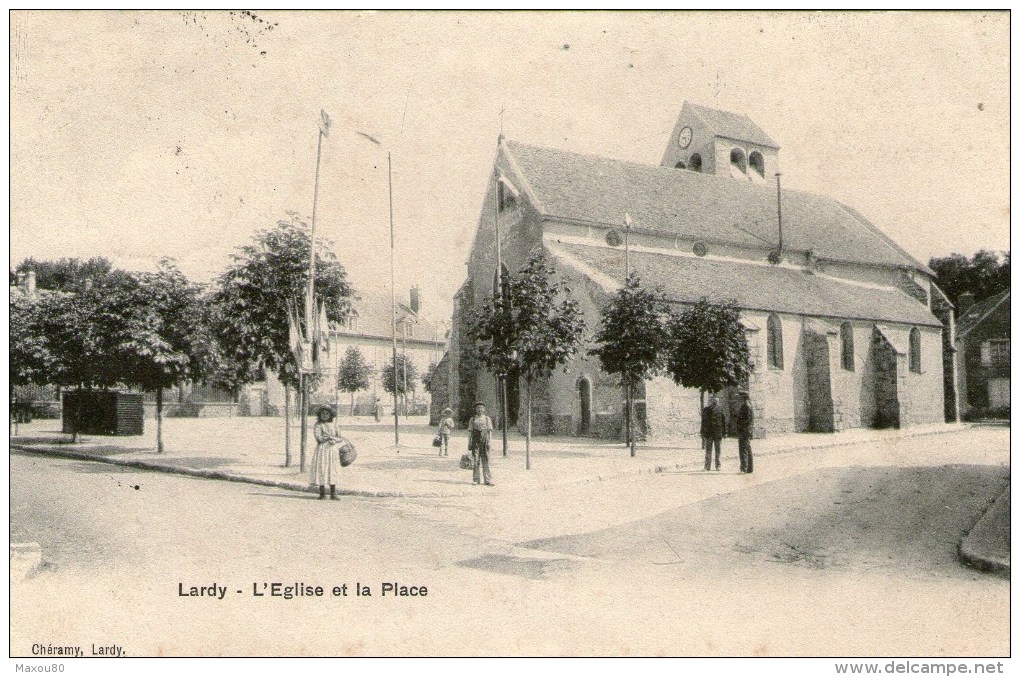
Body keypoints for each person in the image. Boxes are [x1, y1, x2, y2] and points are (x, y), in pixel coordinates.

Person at [311, 407, 343, 500]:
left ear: (330, 415)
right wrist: (328, 438)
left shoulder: (334, 425)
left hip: (332, 450)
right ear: (320, 415)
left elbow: (340, 437)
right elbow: (319, 439)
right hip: (322, 450)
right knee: (322, 469)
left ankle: (333, 494)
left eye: (327, 414)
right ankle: (322, 493)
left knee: (332, 469)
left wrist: (334, 440)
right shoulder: (318, 425)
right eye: (323, 414)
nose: (325, 416)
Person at [467, 402, 495, 486]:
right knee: (476, 460)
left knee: (486, 460)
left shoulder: (487, 419)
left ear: (484, 409)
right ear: (476, 409)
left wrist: (490, 442)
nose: (480, 410)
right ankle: (476, 479)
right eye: (478, 408)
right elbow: (470, 432)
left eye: (481, 408)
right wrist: (469, 442)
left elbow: (490, 432)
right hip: (475, 441)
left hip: (485, 441)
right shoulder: (472, 419)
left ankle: (488, 480)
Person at [701, 394, 726, 471]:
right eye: (713, 399)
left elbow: (723, 422)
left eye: (716, 399)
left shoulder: (721, 409)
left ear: (718, 400)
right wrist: (702, 432)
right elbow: (703, 422)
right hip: (709, 433)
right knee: (708, 450)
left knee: (718, 450)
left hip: (718, 433)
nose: (715, 401)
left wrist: (724, 433)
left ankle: (718, 466)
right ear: (711, 400)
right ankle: (707, 466)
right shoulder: (706, 409)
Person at [735, 391, 754, 473]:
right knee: (747, 449)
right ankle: (749, 468)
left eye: (739, 397)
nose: (738, 398)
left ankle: (744, 468)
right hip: (746, 430)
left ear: (743, 397)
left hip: (744, 430)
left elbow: (748, 420)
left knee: (743, 449)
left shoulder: (746, 406)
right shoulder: (747, 405)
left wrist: (740, 427)